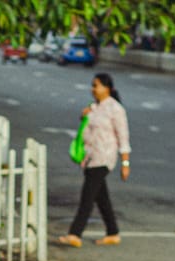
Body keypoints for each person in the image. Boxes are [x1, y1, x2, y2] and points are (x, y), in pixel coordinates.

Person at [55, 72, 130, 249]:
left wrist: (125, 163)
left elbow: (123, 137)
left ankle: (75, 234)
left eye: (96, 85)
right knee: (101, 197)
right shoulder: (94, 107)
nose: (93, 89)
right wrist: (84, 116)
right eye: (92, 85)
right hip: (90, 157)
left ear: (107, 88)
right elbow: (87, 130)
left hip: (104, 158)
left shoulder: (116, 109)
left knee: (87, 196)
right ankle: (113, 232)